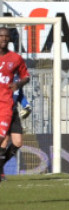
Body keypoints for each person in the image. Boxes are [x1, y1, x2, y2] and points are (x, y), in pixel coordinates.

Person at [0, 28, 30, 180]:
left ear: (10, 39)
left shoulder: (16, 59)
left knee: (17, 142)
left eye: (6, 36)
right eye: (1, 36)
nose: (4, 38)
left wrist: (18, 85)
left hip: (10, 105)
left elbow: (26, 77)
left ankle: (1, 167)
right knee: (2, 139)